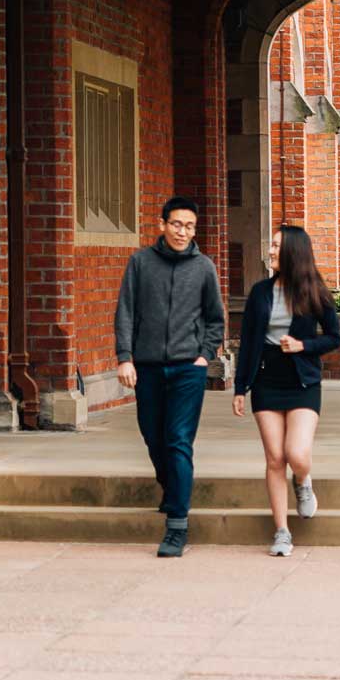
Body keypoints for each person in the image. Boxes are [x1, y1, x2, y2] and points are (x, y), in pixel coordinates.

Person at [115, 196, 225, 558]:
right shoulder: (140, 263)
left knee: (178, 439)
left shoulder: (204, 267)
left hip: (186, 370)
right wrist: (125, 358)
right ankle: (171, 485)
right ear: (161, 224)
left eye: (189, 226)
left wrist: (203, 356)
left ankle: (177, 525)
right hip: (146, 367)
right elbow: (126, 312)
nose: (182, 232)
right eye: (176, 224)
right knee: (153, 435)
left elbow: (215, 319)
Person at [231, 226, 340, 557]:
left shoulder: (314, 291)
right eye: (271, 246)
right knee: (275, 458)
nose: (271, 251)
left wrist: (302, 345)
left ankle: (303, 482)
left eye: (277, 246)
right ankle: (281, 531)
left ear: (294, 250)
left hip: (303, 382)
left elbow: (334, 337)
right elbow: (249, 342)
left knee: (297, 454)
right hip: (266, 382)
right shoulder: (260, 292)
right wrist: (240, 387)